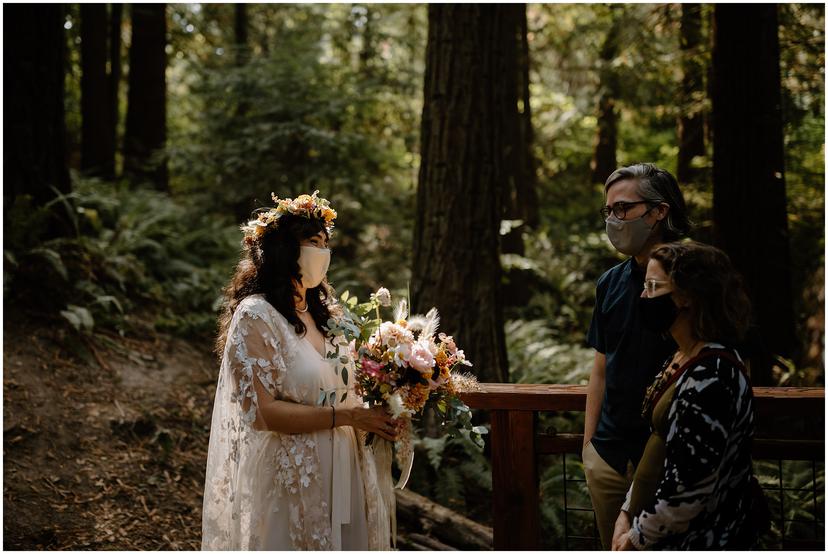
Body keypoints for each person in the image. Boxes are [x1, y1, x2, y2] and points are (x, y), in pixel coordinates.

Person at [201, 191, 395, 550]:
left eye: (325, 243)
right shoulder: (256, 316)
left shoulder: (329, 315)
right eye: (312, 242)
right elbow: (262, 413)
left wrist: (388, 399)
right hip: (292, 476)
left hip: (344, 468)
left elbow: (349, 384)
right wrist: (346, 416)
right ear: (283, 249)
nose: (322, 253)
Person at [611, 241, 756, 550]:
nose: (643, 295)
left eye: (653, 286)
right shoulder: (681, 356)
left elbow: (691, 490)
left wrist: (636, 538)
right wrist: (626, 513)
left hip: (701, 540)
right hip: (654, 526)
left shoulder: (713, 375)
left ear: (688, 296)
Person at [583, 164, 691, 549]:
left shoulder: (696, 277)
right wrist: (589, 447)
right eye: (608, 211)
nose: (614, 219)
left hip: (672, 458)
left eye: (623, 208)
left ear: (659, 211)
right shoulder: (609, 283)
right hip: (609, 457)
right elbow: (600, 369)